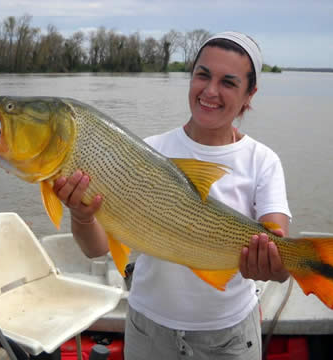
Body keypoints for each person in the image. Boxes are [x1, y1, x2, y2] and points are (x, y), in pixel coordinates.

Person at [53, 31, 292, 360]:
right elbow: (97, 249)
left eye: (228, 82)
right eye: (202, 75)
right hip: (148, 330)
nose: (210, 91)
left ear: (250, 94)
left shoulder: (262, 161)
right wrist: (81, 215)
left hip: (229, 337)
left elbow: (280, 258)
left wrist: (276, 262)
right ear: (191, 77)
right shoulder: (149, 151)